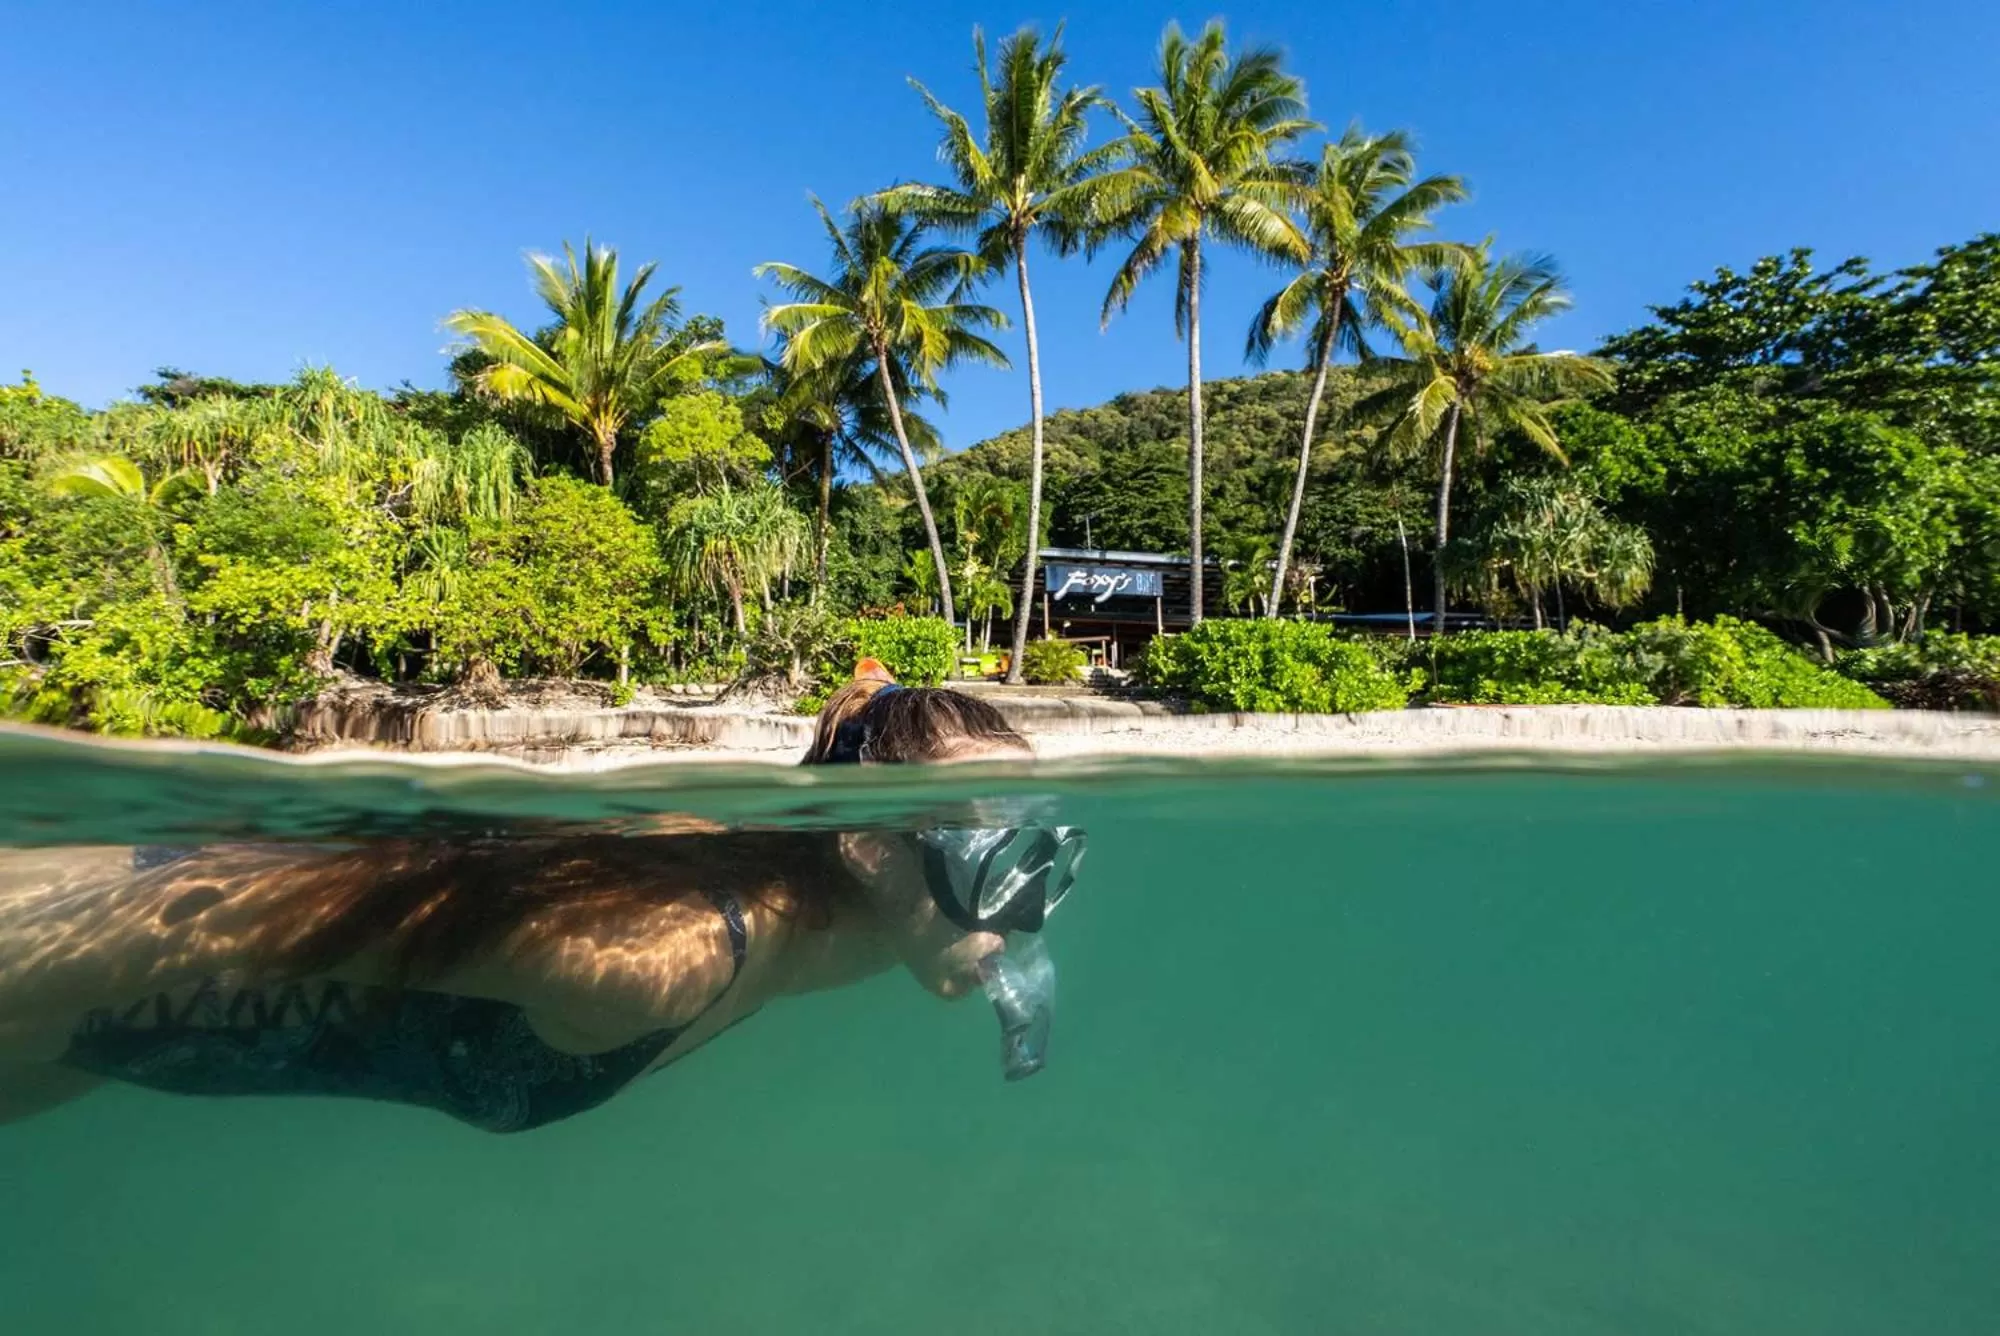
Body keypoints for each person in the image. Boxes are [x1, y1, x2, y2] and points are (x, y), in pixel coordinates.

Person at [0, 664, 1083, 1132]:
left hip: (105, 1038)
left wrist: (868, 707)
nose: (1026, 904)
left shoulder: (851, 919)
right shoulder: (669, 947)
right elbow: (202, 912)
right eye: (995, 861)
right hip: (94, 929)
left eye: (1045, 859)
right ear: (868, 850)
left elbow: (863, 718)